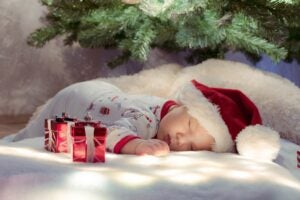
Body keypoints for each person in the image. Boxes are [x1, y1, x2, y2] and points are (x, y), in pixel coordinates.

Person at [14, 79, 280, 161]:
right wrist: (137, 145)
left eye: (189, 147)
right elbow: (118, 129)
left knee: (39, 135)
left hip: (89, 94)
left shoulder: (167, 115)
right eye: (188, 127)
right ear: (179, 106)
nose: (180, 140)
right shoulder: (145, 118)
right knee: (29, 140)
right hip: (75, 101)